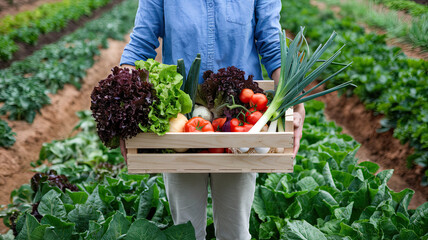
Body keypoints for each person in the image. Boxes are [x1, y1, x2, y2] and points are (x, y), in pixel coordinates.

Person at [119, 0, 305, 239]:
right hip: (181, 124)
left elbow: (273, 46)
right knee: (186, 231)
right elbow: (140, 45)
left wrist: (295, 106)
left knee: (235, 231)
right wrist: (121, 102)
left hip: (240, 123)